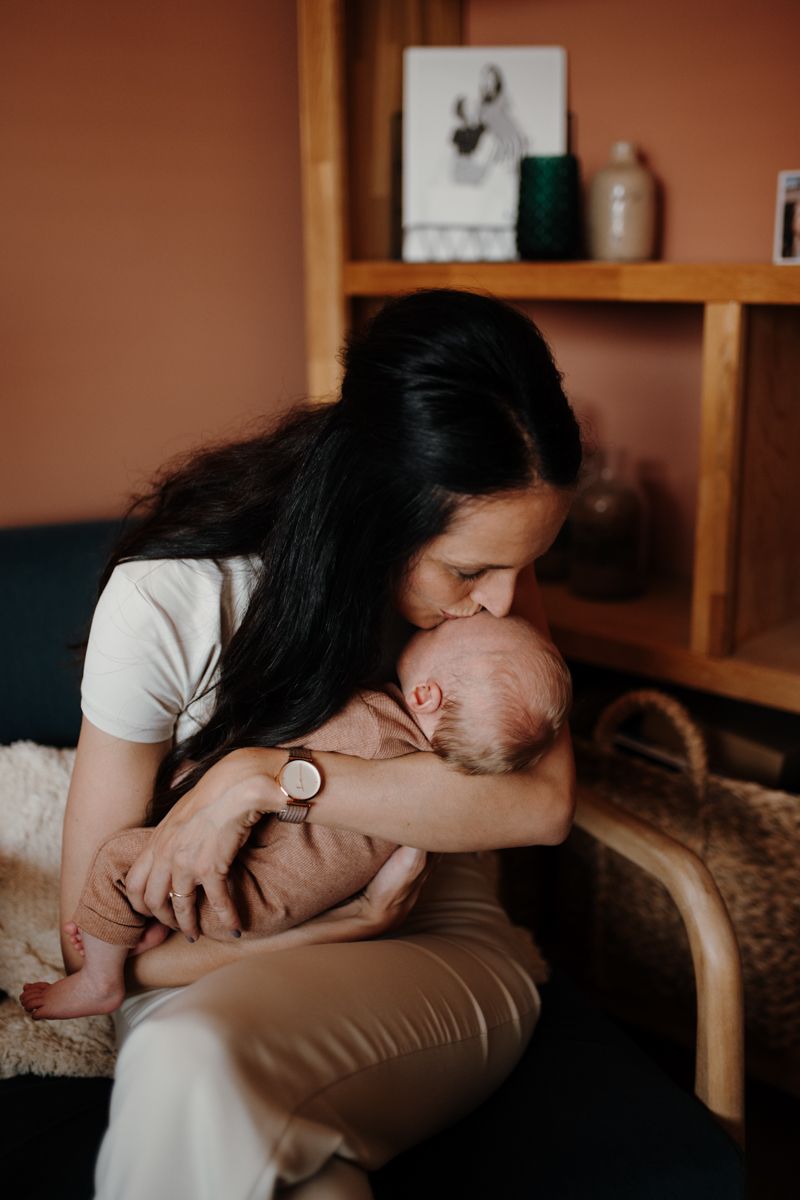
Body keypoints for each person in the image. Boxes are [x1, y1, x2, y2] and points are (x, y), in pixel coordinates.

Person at [48, 287, 582, 1200]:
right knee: (201, 1071)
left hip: (433, 934)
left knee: (189, 1071)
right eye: (471, 570)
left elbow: (538, 806)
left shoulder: (489, 570)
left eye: (522, 566)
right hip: (226, 954)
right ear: (372, 514)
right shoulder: (172, 600)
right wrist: (335, 928)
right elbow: (94, 944)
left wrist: (261, 778)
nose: (503, 601)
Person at [22, 614, 571, 1020]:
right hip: (280, 911)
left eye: (450, 632)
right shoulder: (432, 796)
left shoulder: (370, 722)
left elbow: (276, 749)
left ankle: (100, 979)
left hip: (236, 889)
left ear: (425, 693)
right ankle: (147, 932)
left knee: (122, 858)